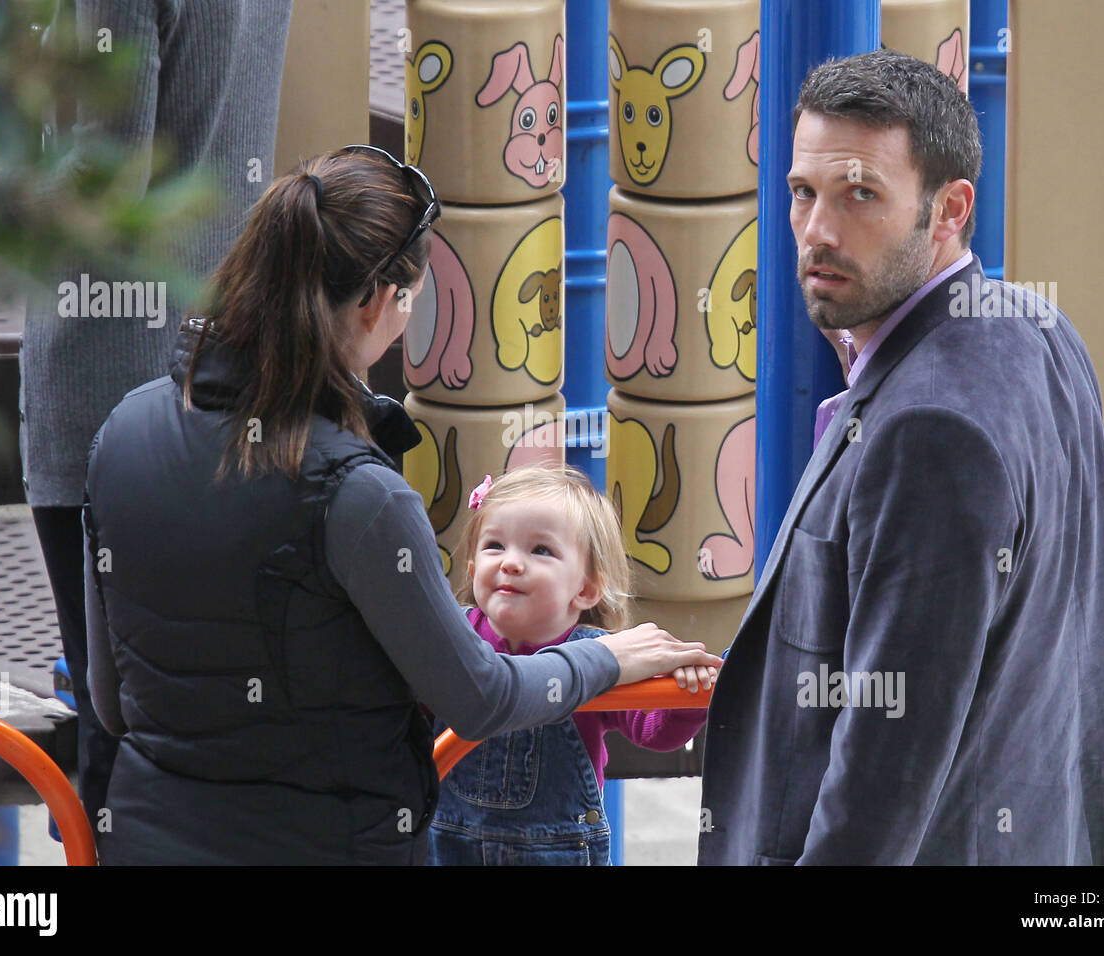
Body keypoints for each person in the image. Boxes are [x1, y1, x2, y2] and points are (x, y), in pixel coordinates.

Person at [83, 147, 722, 865]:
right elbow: (478, 698)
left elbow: (111, 700)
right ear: (380, 300)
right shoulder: (357, 495)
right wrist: (605, 658)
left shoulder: (120, 433)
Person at [698, 50, 1104, 865]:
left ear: (949, 210)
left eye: (862, 195)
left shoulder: (928, 430)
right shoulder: (1038, 329)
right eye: (804, 193)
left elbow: (880, 783)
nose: (818, 232)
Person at [0, 0, 295, 831]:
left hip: (109, 382)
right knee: (191, 714)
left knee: (113, 714)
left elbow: (101, 179)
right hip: (226, 356)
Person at [427, 466, 714, 866]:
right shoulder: (449, 636)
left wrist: (688, 698)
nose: (510, 562)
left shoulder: (602, 655)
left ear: (586, 588)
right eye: (495, 545)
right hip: (445, 844)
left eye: (540, 550)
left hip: (557, 852)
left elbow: (653, 731)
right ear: (473, 570)